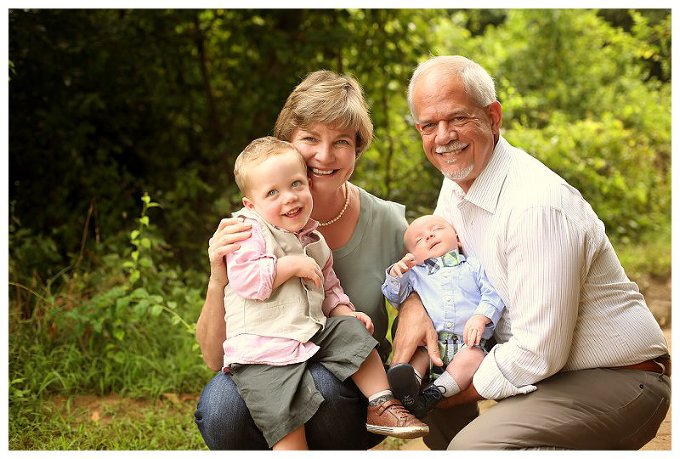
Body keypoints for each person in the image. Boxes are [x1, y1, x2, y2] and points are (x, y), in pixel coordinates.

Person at [390, 55, 671, 450]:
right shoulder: (457, 182)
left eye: (457, 118)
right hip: (550, 372)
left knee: (472, 446)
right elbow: (439, 269)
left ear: (493, 116)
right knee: (431, 387)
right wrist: (415, 304)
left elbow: (539, 351)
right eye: (428, 126)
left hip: (617, 377)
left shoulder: (535, 207)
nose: (443, 137)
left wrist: (443, 393)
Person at [194, 70, 472, 449]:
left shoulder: (389, 222)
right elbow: (213, 358)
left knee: (322, 388)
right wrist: (217, 277)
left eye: (340, 141)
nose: (324, 156)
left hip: (346, 375)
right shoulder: (253, 229)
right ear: (287, 143)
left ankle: (379, 408)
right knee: (222, 407)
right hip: (265, 357)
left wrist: (413, 302)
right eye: (310, 139)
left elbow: (439, 284)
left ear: (357, 148)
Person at [220, 136, 428, 450]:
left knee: (350, 331)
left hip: (311, 332)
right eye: (273, 192)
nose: (289, 198)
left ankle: (381, 403)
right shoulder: (247, 231)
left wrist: (346, 312)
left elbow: (329, 288)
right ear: (251, 204)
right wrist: (289, 265)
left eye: (295, 184)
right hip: (263, 348)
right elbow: (247, 281)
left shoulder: (313, 238)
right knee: (284, 418)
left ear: (308, 184)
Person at [382, 214, 519, 420]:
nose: (428, 236)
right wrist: (396, 275)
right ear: (413, 256)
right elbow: (396, 297)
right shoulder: (416, 274)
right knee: (419, 356)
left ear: (458, 239)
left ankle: (432, 395)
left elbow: (492, 294)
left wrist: (481, 316)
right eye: (419, 240)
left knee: (473, 358)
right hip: (430, 344)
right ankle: (409, 387)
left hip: (468, 343)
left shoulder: (473, 267)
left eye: (436, 229)